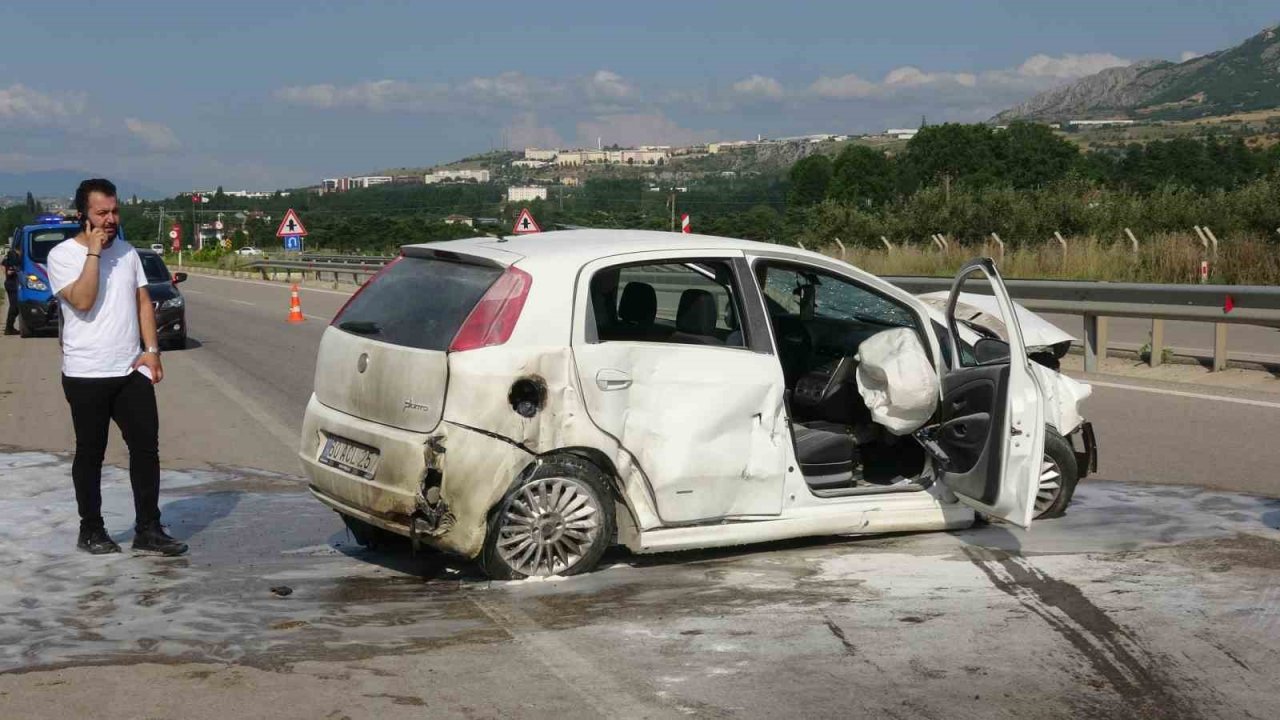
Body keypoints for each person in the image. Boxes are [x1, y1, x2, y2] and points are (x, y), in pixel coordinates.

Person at [46, 178, 187, 556]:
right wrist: (93, 254)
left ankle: (149, 529)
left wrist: (152, 350)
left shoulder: (128, 253)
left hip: (129, 371)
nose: (110, 220)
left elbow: (143, 302)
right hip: (86, 373)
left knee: (146, 450)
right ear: (83, 216)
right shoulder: (61, 256)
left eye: (114, 211)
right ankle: (91, 530)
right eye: (101, 213)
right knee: (90, 453)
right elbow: (84, 300)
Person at [2, 243, 18, 335]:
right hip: (12, 284)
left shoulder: (7, 258)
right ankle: (9, 328)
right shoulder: (12, 258)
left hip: (9, 283)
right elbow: (8, 272)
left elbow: (3, 268)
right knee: (14, 306)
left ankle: (9, 327)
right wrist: (14, 270)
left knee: (15, 306)